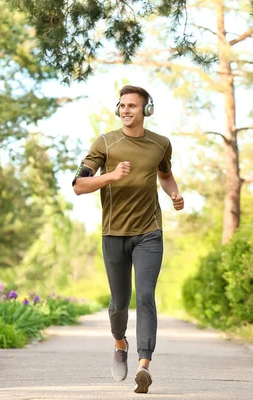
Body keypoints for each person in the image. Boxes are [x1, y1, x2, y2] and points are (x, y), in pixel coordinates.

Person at [72, 85, 184, 394]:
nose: (125, 110)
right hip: (113, 234)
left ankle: (143, 366)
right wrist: (110, 176)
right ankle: (120, 342)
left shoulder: (160, 144)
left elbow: (164, 175)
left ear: (146, 110)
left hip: (149, 232)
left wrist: (173, 193)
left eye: (132, 106)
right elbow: (79, 185)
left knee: (146, 295)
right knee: (119, 303)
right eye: (122, 105)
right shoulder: (106, 142)